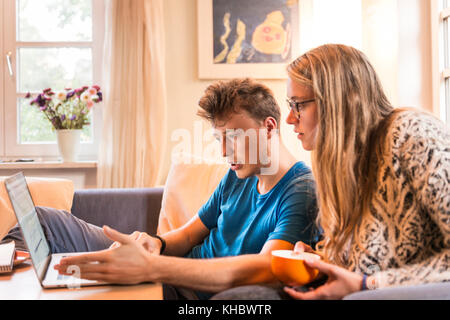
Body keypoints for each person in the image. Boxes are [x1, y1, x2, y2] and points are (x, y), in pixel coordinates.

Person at [4, 78, 319, 300]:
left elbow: (264, 270)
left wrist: (155, 267)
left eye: (233, 137)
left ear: (268, 127)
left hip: (179, 287)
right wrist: (154, 244)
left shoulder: (300, 190)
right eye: (218, 139)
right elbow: (188, 234)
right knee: (44, 220)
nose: (224, 151)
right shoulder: (237, 175)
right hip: (165, 270)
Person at [211, 44, 450, 300]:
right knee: (242, 297)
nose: (290, 118)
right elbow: (357, 259)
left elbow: (367, 276)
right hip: (353, 292)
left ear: (339, 101)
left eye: (298, 105)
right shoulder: (339, 166)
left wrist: (368, 284)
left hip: (386, 294)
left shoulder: (411, 134)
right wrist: (319, 259)